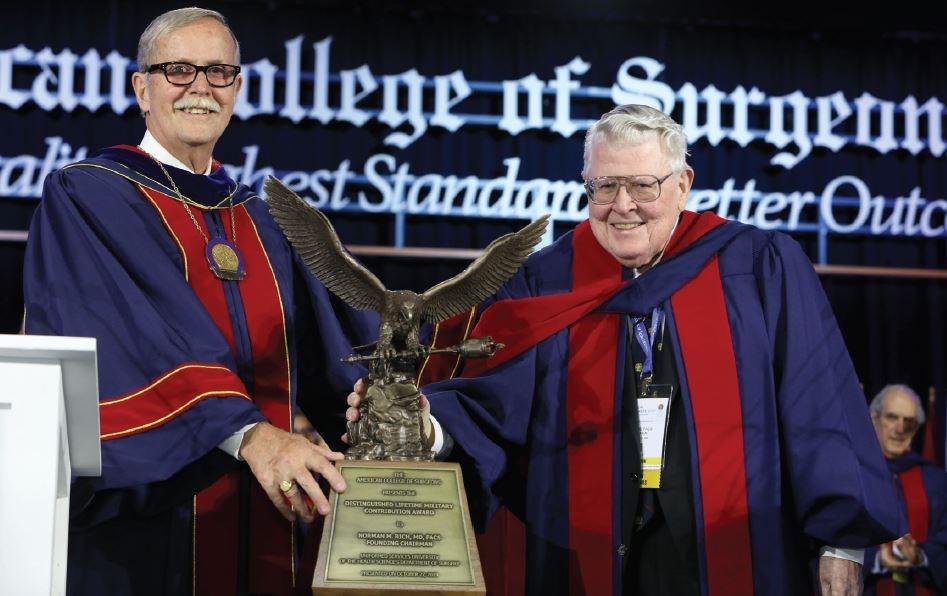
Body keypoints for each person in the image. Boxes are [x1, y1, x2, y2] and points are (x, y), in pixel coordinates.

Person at [349, 104, 900, 594]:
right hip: (588, 554)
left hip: (731, 548)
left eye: (642, 185)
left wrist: (841, 542)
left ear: (682, 184)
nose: (622, 206)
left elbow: (817, 400)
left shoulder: (756, 265)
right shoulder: (549, 279)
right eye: (603, 187)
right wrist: (424, 423)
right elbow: (495, 395)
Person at [23, 8, 374, 595]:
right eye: (178, 69)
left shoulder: (264, 220)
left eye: (219, 72)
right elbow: (133, 338)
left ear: (236, 88)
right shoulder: (89, 194)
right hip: (147, 521)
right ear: (143, 87)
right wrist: (251, 434)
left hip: (268, 516)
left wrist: (382, 402)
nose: (200, 88)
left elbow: (333, 351)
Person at [863, 385, 947, 595]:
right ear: (874, 419)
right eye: (892, 417)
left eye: (908, 422)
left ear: (916, 429)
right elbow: (836, 540)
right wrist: (877, 559)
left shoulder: (936, 481)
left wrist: (919, 556)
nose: (900, 429)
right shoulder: (855, 478)